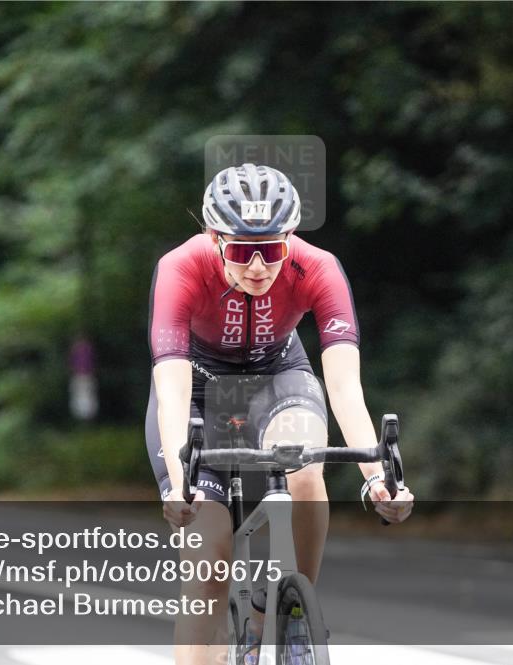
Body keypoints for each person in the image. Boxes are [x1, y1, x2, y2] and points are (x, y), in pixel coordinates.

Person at [145, 163, 415, 665]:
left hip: (278, 377)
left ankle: (285, 617)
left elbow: (344, 386)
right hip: (200, 392)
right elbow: (173, 387)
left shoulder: (318, 267)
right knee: (208, 564)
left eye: (271, 250)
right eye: (241, 251)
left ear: (290, 239)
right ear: (214, 238)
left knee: (306, 468)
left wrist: (378, 480)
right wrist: (180, 483)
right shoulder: (181, 267)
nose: (257, 267)